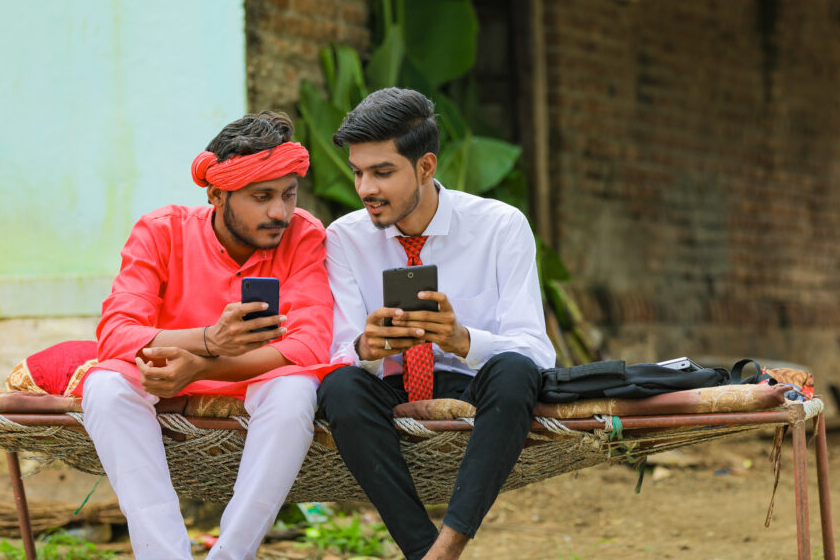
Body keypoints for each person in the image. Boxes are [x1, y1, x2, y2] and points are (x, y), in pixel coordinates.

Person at [78, 112, 337, 559]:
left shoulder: (303, 235)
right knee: (104, 387)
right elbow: (117, 332)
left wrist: (206, 363)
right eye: (262, 197)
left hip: (255, 379)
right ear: (218, 194)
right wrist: (205, 341)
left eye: (288, 195)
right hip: (166, 373)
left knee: (296, 391)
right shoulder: (161, 231)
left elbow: (309, 344)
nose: (280, 212)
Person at [318, 88, 556, 560]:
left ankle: (446, 548)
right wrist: (368, 346)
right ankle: (427, 551)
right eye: (358, 172)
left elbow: (535, 351)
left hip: (477, 387)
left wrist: (462, 338)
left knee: (514, 371)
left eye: (382, 172)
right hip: (390, 388)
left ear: (426, 167)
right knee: (340, 386)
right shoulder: (344, 238)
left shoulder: (500, 227)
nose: (366, 188)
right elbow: (337, 353)